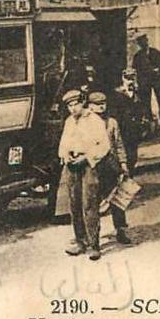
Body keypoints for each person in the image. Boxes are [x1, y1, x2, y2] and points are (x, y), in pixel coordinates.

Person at [57, 90, 109, 261]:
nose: (73, 109)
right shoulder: (69, 121)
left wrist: (87, 157)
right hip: (72, 165)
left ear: (82, 103)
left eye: (75, 104)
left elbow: (104, 145)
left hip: (88, 165)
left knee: (89, 203)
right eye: (69, 106)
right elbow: (64, 143)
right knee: (74, 203)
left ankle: (94, 245)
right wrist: (66, 155)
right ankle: (80, 241)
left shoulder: (94, 120)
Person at [88, 92, 132, 245]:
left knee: (117, 200)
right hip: (93, 167)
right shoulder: (86, 124)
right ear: (90, 106)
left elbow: (119, 144)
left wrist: (124, 163)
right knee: (93, 202)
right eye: (97, 104)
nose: (101, 106)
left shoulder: (112, 122)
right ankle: (93, 236)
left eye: (103, 103)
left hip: (111, 166)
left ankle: (120, 230)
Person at [110, 68, 148, 172]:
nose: (130, 81)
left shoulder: (139, 92)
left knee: (132, 157)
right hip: (122, 128)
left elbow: (144, 109)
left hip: (134, 130)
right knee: (122, 156)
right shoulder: (117, 93)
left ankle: (129, 178)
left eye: (132, 78)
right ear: (123, 78)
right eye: (127, 78)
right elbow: (114, 112)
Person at [132, 34, 160, 129]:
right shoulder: (138, 56)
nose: (142, 44)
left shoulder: (155, 52)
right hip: (145, 83)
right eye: (140, 43)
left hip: (157, 81)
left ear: (147, 41)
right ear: (139, 44)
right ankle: (150, 123)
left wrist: (158, 69)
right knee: (146, 103)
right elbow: (135, 69)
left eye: (144, 41)